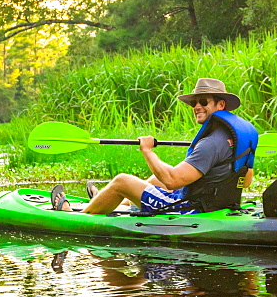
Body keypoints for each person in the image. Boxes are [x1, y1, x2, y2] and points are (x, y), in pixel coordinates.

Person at [54, 78, 258, 215]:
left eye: (203, 101)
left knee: (122, 181)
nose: (197, 106)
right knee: (153, 180)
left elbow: (173, 181)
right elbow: (246, 182)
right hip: (218, 204)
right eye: (194, 102)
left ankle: (77, 216)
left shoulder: (210, 143)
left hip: (188, 209)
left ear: (221, 105)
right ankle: (106, 200)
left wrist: (147, 150)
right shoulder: (237, 139)